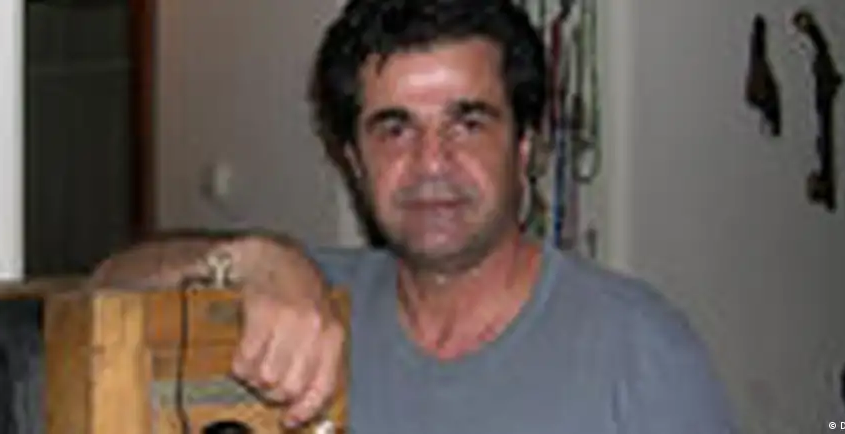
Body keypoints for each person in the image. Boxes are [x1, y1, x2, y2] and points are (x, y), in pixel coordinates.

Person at [91, 0, 737, 432]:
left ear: (524, 147)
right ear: (353, 160)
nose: (432, 161)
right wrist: (257, 259)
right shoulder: (308, 303)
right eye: (395, 129)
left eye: (467, 123)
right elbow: (106, 286)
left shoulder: (638, 350)